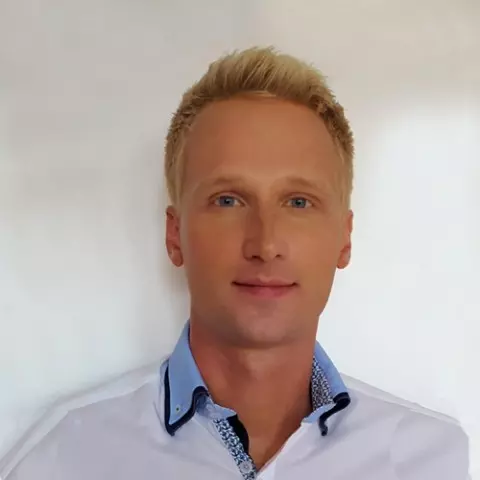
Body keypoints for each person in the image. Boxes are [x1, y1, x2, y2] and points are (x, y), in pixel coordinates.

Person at [0, 46, 470, 480]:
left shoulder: (432, 462)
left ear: (344, 238)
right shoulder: (67, 457)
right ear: (174, 235)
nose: (265, 243)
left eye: (299, 202)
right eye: (228, 200)